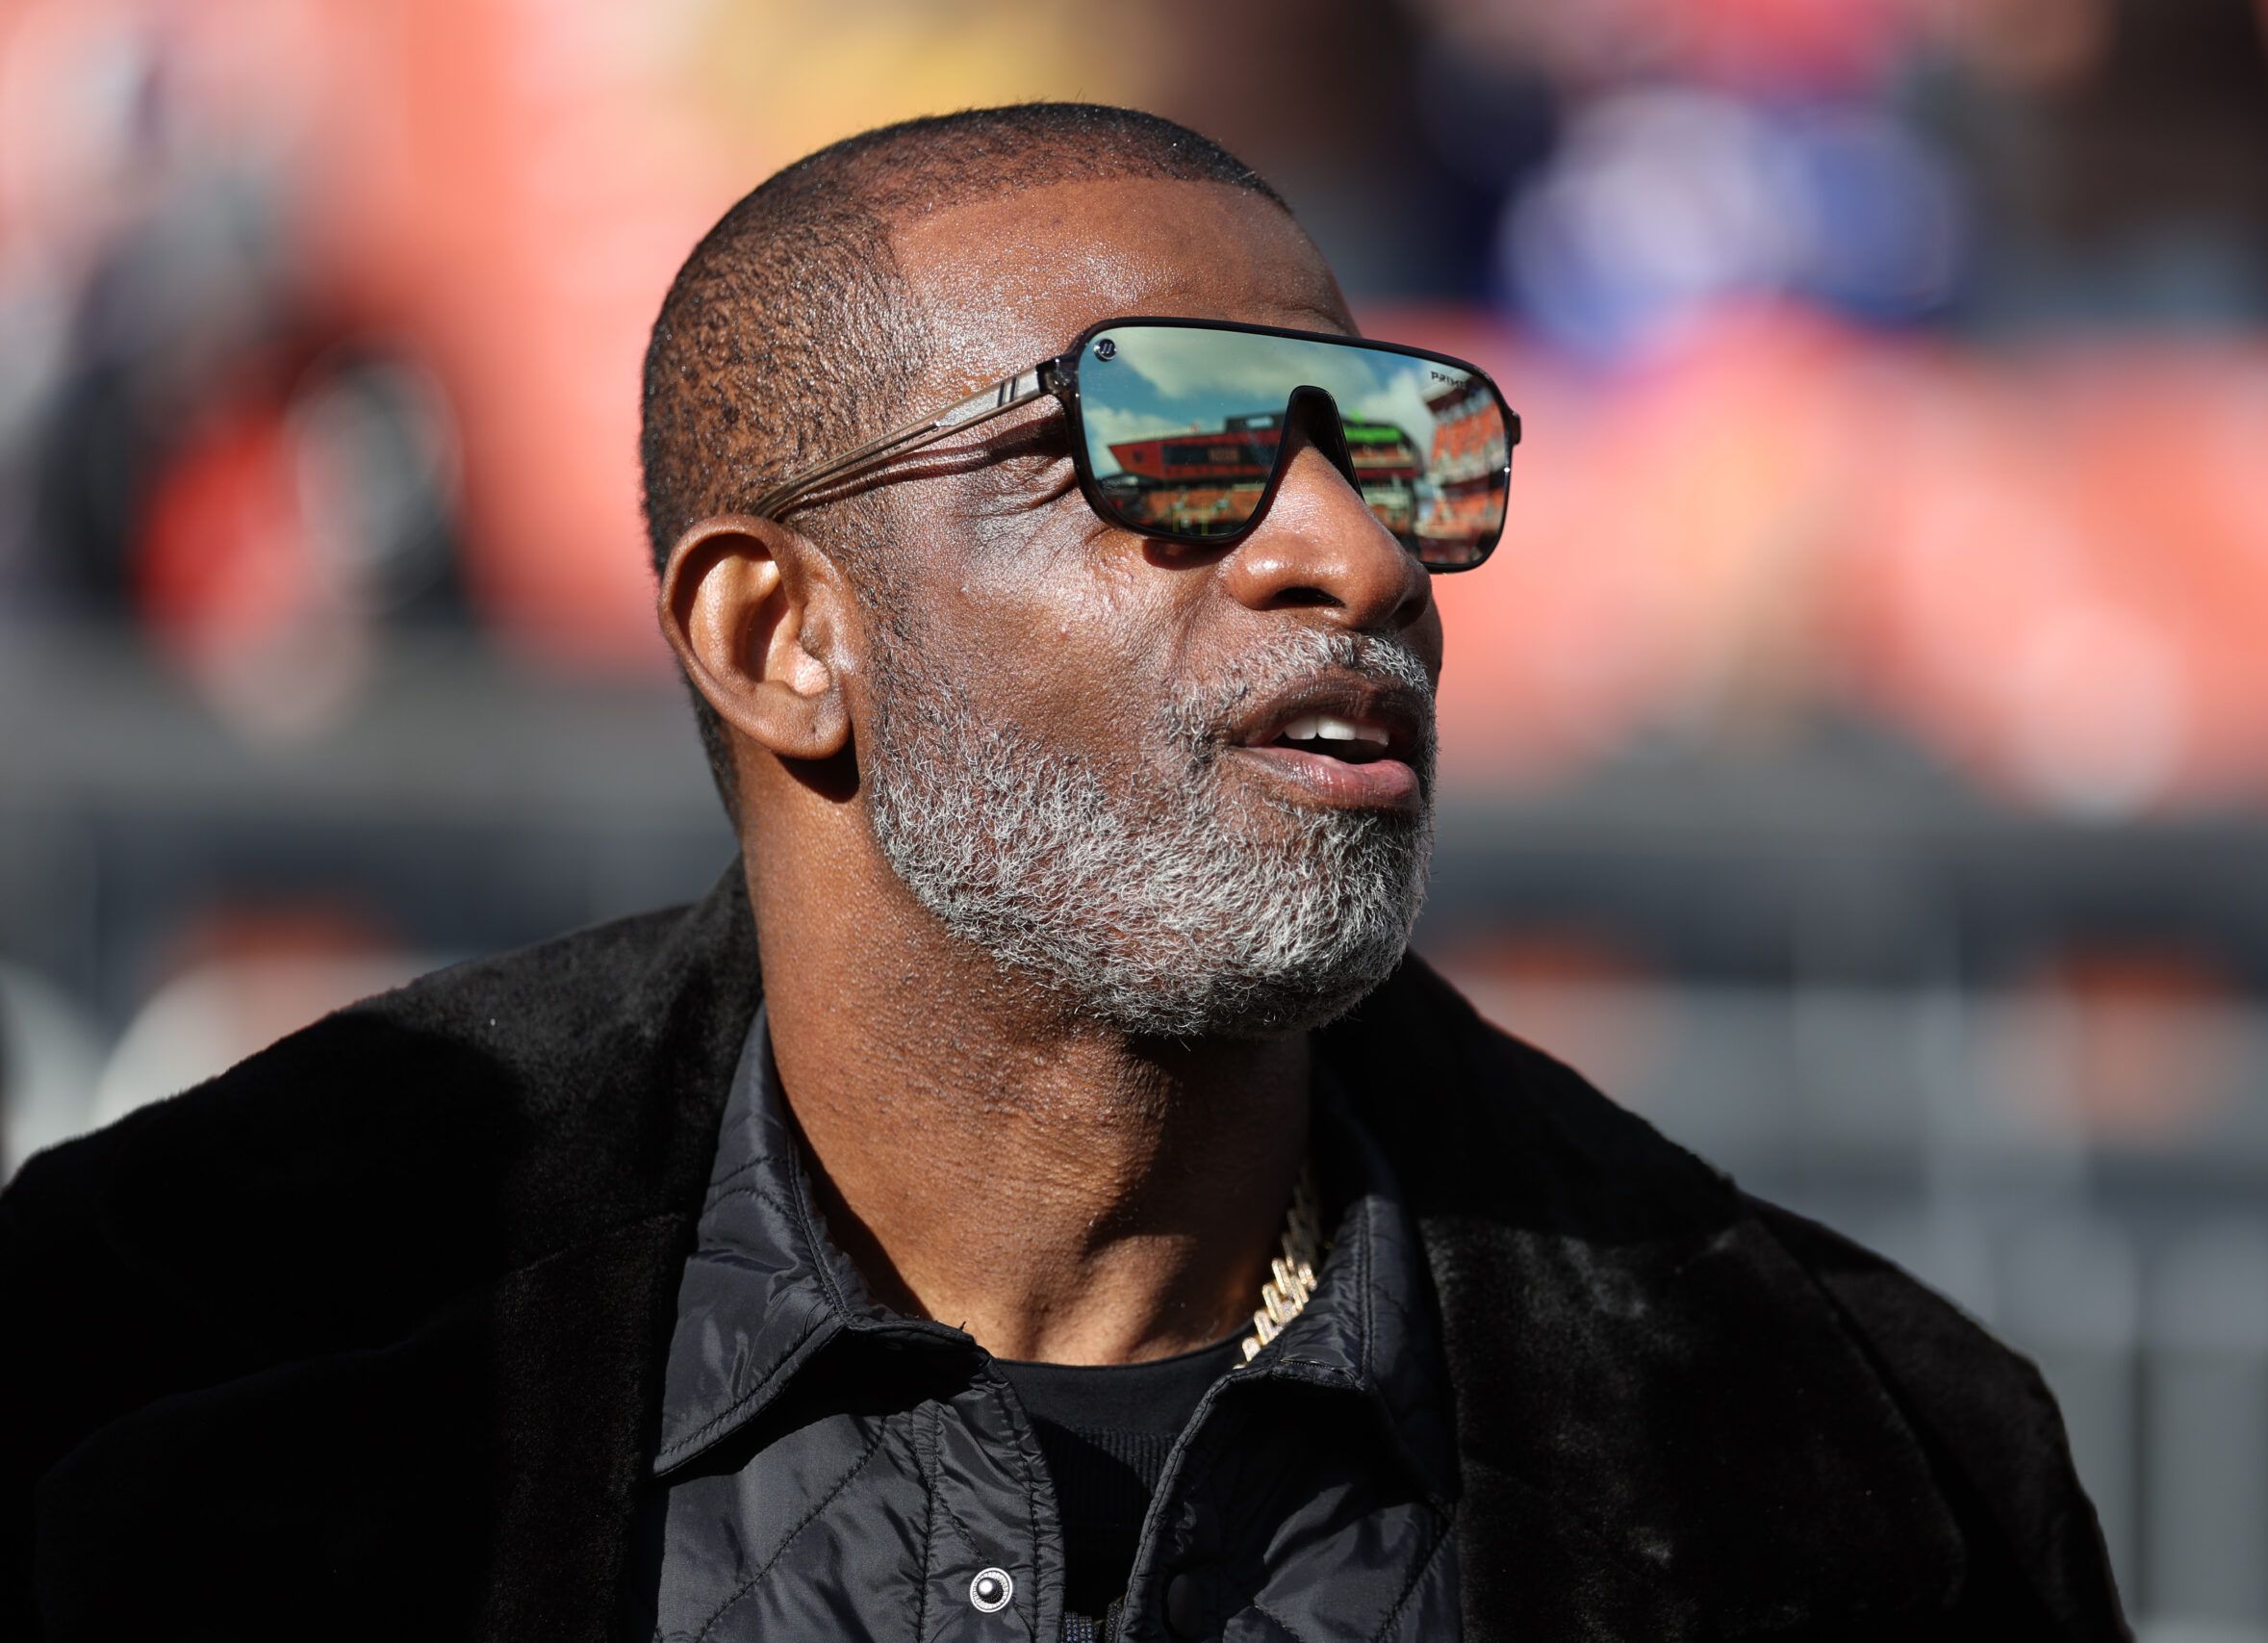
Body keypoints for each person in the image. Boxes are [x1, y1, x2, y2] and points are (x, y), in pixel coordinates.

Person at [0, 104, 2127, 1642]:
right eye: (1170, 443)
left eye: (1398, 451)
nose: (1355, 552)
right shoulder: (163, 1357)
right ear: (777, 634)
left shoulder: (1849, 1458)